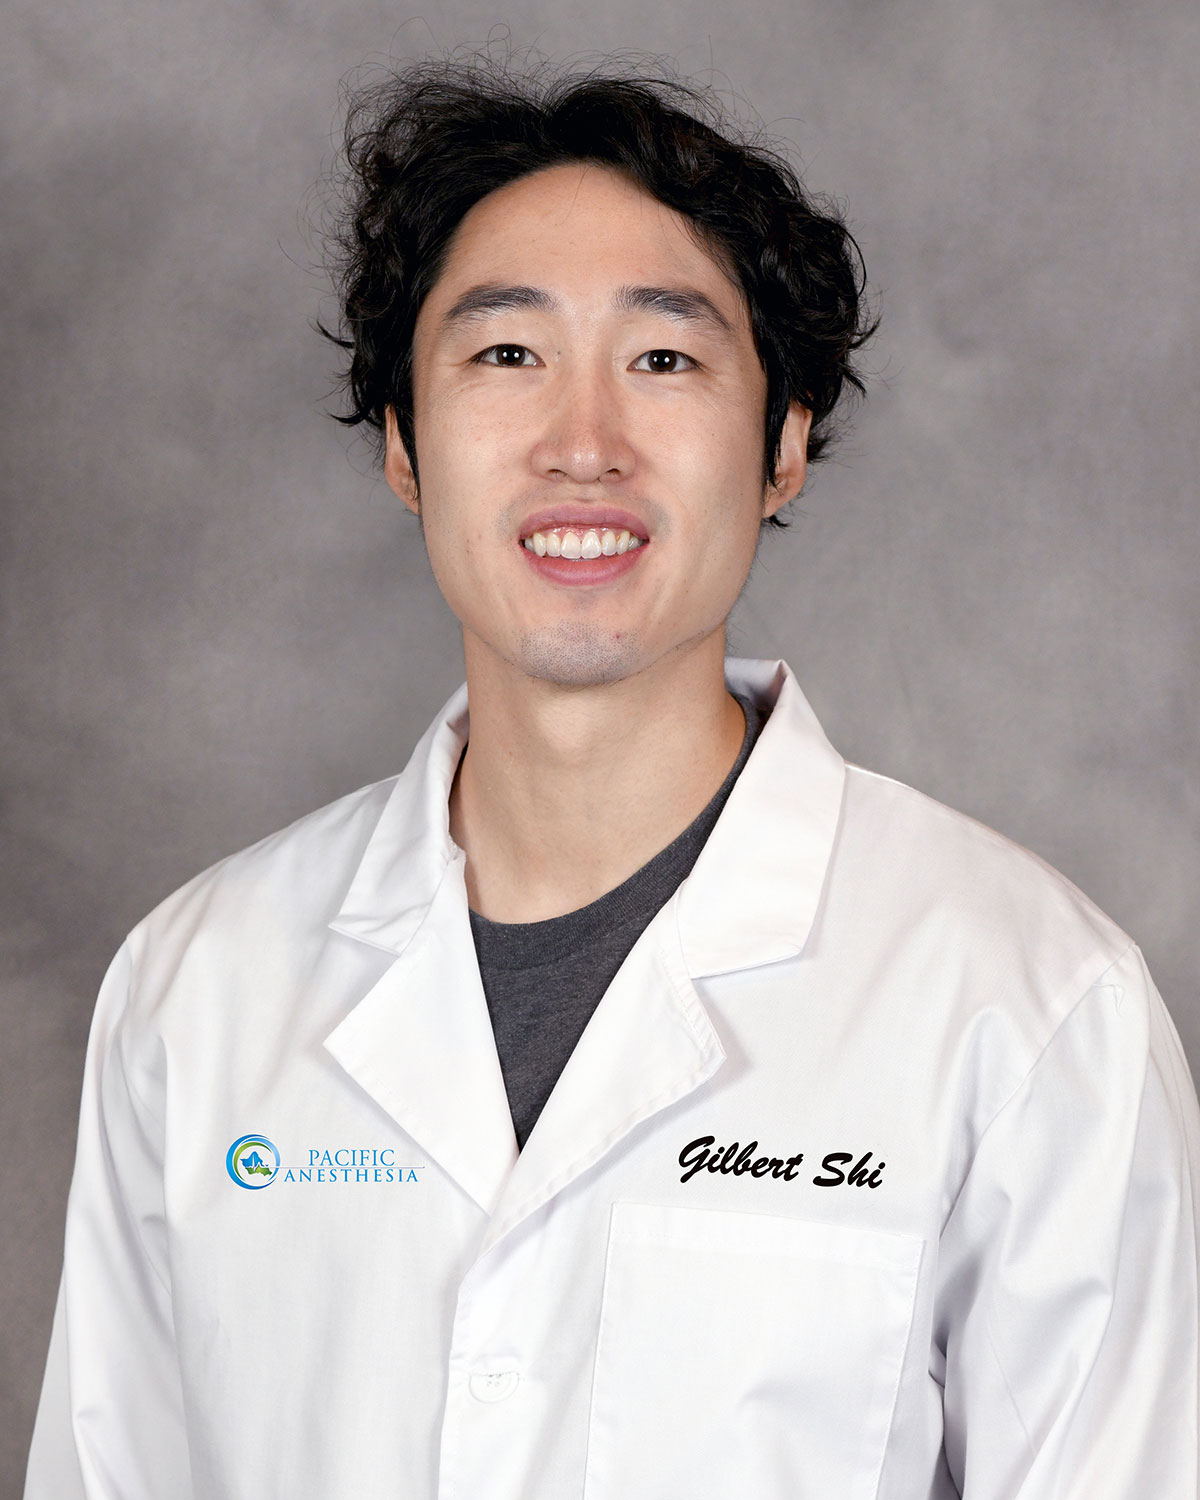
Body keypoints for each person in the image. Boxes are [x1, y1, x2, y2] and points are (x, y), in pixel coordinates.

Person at [25, 55, 1200, 1500]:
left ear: (785, 444)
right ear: (403, 444)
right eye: (505, 355)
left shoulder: (1030, 1010)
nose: (583, 446)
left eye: (664, 360)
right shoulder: (195, 992)